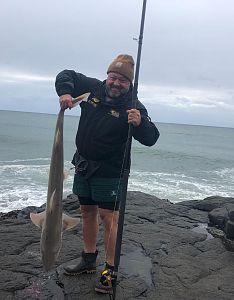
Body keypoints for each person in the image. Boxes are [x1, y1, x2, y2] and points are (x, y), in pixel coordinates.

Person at [55, 54, 160, 294]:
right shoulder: (92, 88)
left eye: (123, 80)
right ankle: (89, 259)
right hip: (83, 165)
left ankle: (110, 270)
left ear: (129, 83)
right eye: (113, 77)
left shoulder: (133, 105)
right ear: (107, 76)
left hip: (111, 171)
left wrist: (140, 123)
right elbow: (66, 74)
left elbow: (152, 138)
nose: (116, 83)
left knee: (109, 219)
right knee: (86, 211)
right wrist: (65, 92)